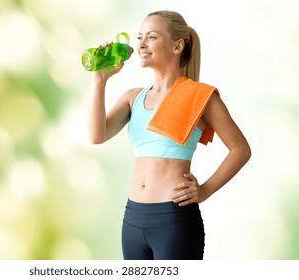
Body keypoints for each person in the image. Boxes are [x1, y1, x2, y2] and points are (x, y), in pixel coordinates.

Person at [87, 10, 251, 260]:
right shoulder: (133, 97)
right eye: (139, 37)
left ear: (177, 45)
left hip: (173, 220)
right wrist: (100, 81)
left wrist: (204, 190)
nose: (141, 45)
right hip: (132, 218)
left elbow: (241, 149)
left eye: (151, 37)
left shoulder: (201, 97)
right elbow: (97, 135)